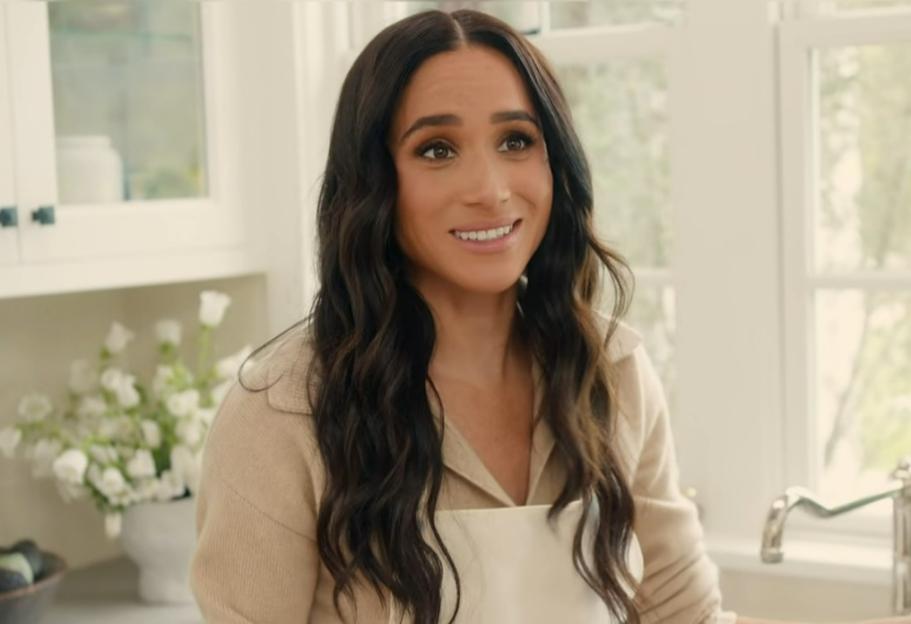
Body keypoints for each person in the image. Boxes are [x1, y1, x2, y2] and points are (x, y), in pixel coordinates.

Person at [188, 9, 904, 624]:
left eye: (515, 141)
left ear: (554, 164)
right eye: (436, 149)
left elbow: (681, 616)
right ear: (376, 183)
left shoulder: (612, 372)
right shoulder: (285, 411)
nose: (490, 190)